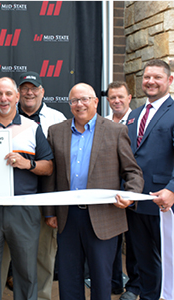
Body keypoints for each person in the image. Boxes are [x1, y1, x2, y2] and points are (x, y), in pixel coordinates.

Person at [43, 83, 144, 300]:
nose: (79, 104)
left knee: (101, 279)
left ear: (96, 102)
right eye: (74, 101)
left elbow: (133, 172)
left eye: (84, 99)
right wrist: (50, 211)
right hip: (67, 217)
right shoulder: (56, 131)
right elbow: (51, 175)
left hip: (105, 216)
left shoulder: (116, 131)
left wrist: (130, 195)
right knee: (69, 278)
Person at [0, 77, 54, 300]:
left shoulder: (32, 128)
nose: (4, 98)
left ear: (17, 97)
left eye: (9, 93)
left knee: (27, 271)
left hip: (23, 209)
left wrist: (28, 164)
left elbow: (49, 166)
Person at [126, 59, 174, 300]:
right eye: (147, 77)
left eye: (157, 77)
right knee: (144, 261)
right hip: (136, 203)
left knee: (169, 260)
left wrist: (172, 189)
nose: (151, 81)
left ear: (169, 81)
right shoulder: (133, 116)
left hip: (164, 201)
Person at [17, 71, 66, 300]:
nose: (29, 92)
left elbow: (62, 163)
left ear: (42, 92)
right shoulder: (8, 117)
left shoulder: (57, 118)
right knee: (14, 254)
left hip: (46, 197)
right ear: (18, 93)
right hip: (16, 199)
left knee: (44, 255)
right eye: (25, 88)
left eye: (33, 88)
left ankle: (43, 296)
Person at [105, 81, 139, 299]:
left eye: (120, 97)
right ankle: (114, 282)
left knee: (135, 243)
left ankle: (134, 286)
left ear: (129, 98)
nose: (116, 101)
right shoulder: (103, 123)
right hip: (108, 193)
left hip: (131, 190)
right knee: (110, 241)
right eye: (112, 98)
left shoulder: (138, 123)